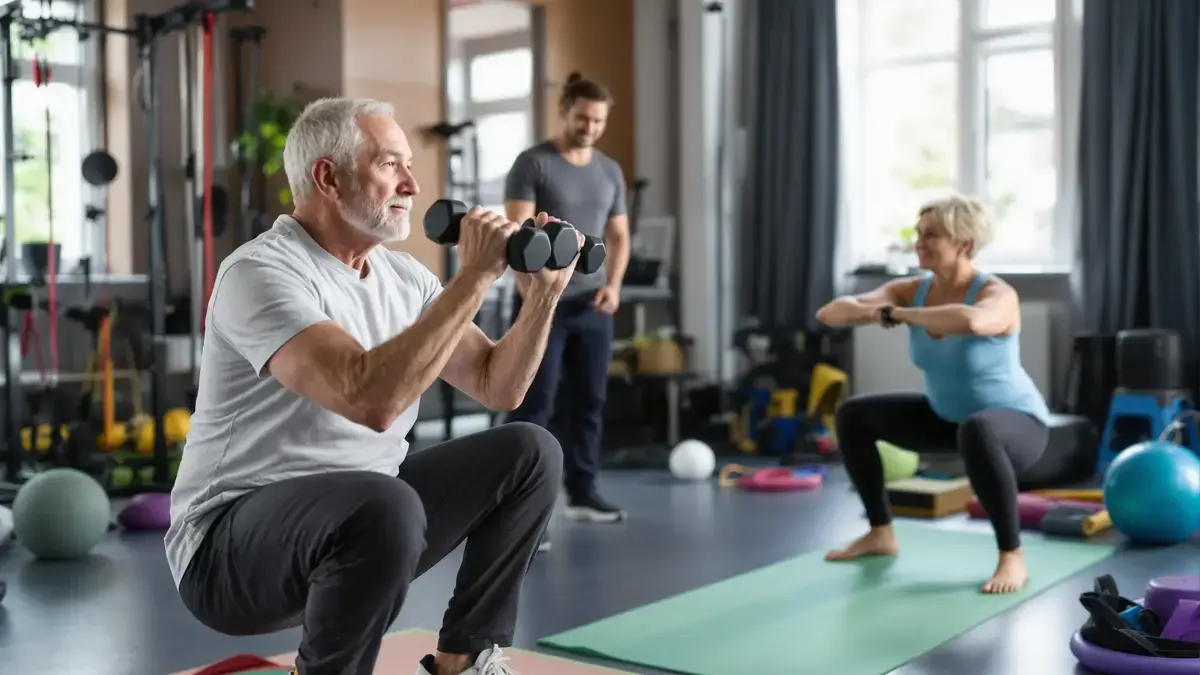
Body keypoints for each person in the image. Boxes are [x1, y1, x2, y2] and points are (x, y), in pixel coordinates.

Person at [166, 97, 583, 675]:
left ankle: (464, 663)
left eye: (408, 165)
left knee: (531, 452)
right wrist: (474, 277)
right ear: (328, 178)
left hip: (366, 520)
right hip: (227, 553)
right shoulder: (260, 273)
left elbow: (498, 386)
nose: (412, 184)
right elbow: (371, 400)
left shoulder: (404, 278)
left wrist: (543, 297)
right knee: (384, 503)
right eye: (390, 164)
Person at [814, 193, 1050, 595]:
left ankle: (1012, 556)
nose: (918, 243)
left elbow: (974, 322)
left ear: (964, 244)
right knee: (853, 415)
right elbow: (831, 313)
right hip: (948, 420)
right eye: (918, 233)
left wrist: (899, 314)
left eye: (931, 235)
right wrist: (874, 309)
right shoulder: (911, 289)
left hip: (1017, 425)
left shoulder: (997, 294)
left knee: (978, 428)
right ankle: (880, 533)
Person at [502, 72, 631, 539]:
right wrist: (531, 295)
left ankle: (582, 491)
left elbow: (619, 236)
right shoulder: (533, 163)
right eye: (583, 118)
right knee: (533, 403)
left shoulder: (610, 171)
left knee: (590, 401)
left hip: (592, 306)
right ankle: (517, 509)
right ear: (564, 111)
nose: (590, 128)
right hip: (544, 304)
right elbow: (518, 236)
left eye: (598, 121)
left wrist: (613, 285)